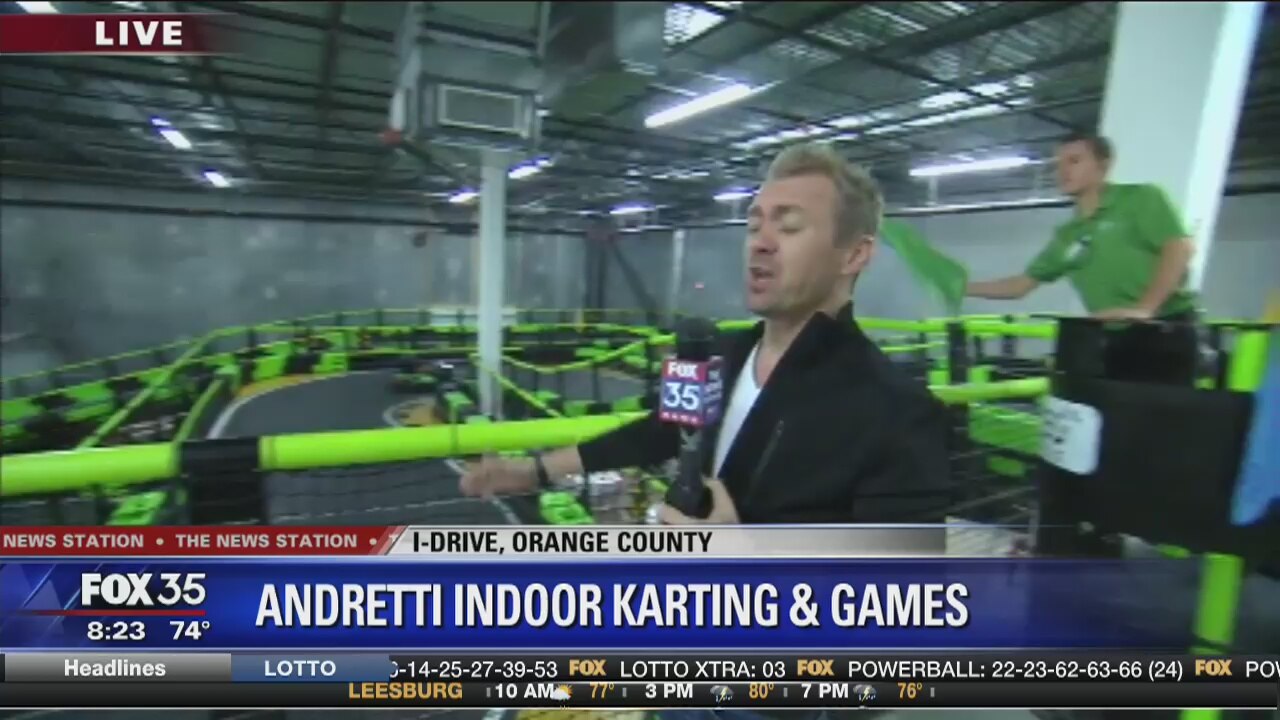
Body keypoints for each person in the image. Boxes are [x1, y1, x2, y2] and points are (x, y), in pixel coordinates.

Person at [460, 143, 952, 524]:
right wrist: (535, 470)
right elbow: (662, 432)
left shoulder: (899, 414)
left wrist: (745, 558)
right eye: (754, 226)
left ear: (854, 255)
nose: (760, 243)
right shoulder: (724, 355)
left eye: (789, 227)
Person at [966, 131, 1202, 383]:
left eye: (1074, 161)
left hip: (1164, 329)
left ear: (1104, 165)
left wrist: (1145, 308)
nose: (1062, 171)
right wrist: (962, 287)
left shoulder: (1141, 198)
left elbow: (1179, 248)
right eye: (1058, 164)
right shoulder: (1067, 235)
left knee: (1158, 408)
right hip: (1112, 336)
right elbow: (1019, 285)